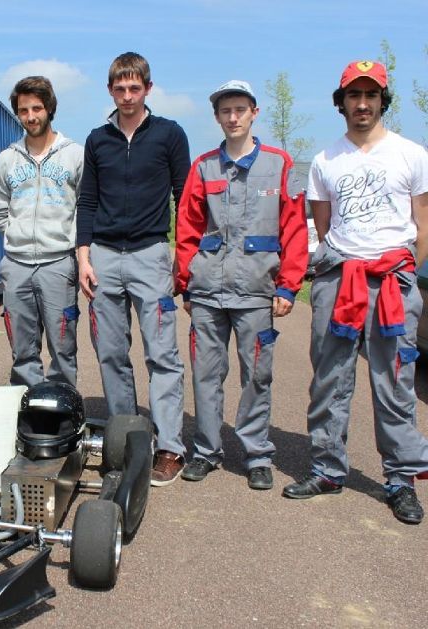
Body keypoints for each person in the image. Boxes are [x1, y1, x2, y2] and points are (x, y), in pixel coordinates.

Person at [283, 61, 428, 524]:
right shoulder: (327, 161)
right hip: (340, 279)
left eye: (370, 95)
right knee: (330, 378)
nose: (361, 104)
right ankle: (327, 469)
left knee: (394, 382)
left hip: (394, 282)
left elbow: (423, 220)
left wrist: (407, 271)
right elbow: (323, 227)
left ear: (382, 100)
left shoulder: (411, 154)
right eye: (353, 95)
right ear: (341, 101)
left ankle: (400, 478)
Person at [175, 80, 308, 490]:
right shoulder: (203, 167)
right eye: (225, 111)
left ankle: (256, 455)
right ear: (217, 117)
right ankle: (207, 451)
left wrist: (288, 286)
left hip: (255, 293)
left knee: (256, 377)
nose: (233, 117)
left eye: (240, 109)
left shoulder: (282, 164)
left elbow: (294, 228)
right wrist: (186, 282)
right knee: (205, 375)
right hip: (209, 292)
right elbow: (187, 227)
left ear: (254, 113)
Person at [76, 52, 191, 486]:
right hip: (104, 256)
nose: (127, 96)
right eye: (119, 89)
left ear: (147, 88)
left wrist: (182, 251)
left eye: (134, 88)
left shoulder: (169, 135)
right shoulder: (97, 139)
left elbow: (185, 196)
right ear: (110, 91)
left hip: (150, 255)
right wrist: (83, 256)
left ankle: (169, 447)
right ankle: (125, 439)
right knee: (110, 352)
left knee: (162, 354)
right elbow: (87, 201)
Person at [0, 76, 83, 387]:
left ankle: (63, 414)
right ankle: (28, 413)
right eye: (23, 110)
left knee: (62, 347)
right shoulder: (7, 159)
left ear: (50, 108)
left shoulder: (75, 155)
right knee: (22, 350)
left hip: (58, 264)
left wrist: (70, 245)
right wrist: (16, 234)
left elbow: (86, 206)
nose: (31, 116)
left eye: (37, 108)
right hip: (16, 266)